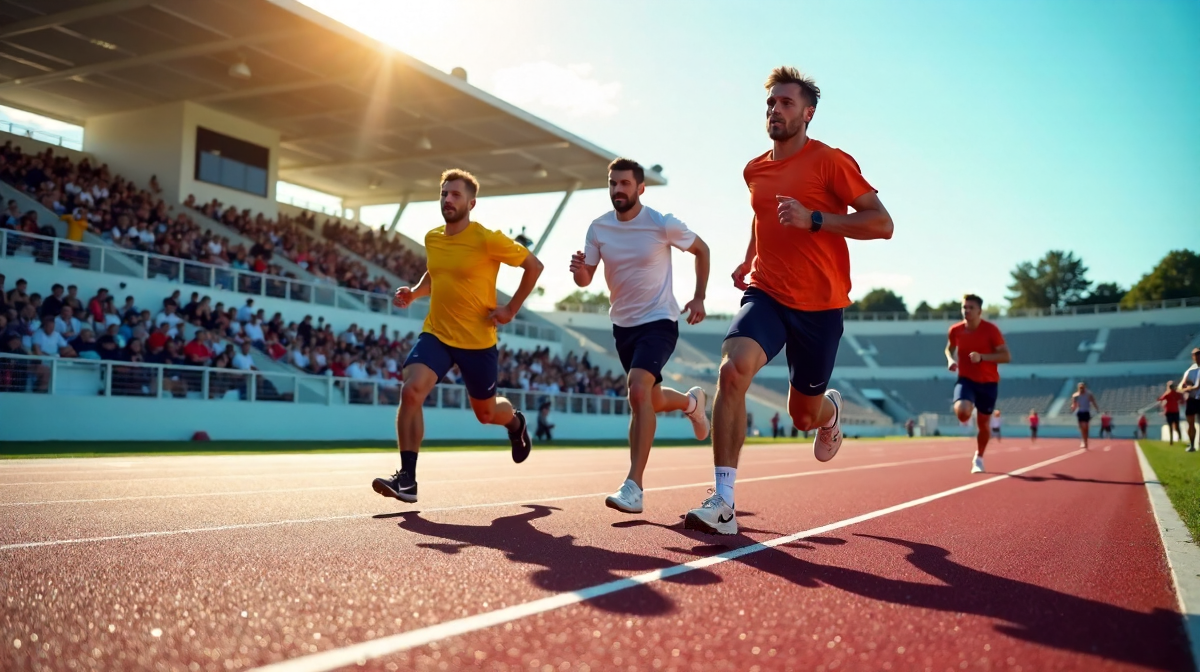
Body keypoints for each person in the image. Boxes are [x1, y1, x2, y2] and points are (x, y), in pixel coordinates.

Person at [684, 66, 894, 535]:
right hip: (768, 292)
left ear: (808, 113)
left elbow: (882, 224)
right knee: (731, 369)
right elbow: (763, 218)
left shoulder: (831, 162)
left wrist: (816, 220)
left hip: (820, 305)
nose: (775, 110)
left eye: (786, 103)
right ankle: (724, 501)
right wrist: (747, 258)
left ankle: (829, 412)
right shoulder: (754, 168)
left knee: (802, 416)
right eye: (771, 103)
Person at [371, 169, 544, 504]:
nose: (447, 199)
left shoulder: (487, 238)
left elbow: (534, 266)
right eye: (444, 193)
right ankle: (407, 479)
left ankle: (516, 423)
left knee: (486, 414)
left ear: (471, 202)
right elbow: (437, 272)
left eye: (455, 195)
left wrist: (510, 309)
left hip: (477, 341)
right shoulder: (433, 237)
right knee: (411, 391)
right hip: (437, 333)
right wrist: (416, 292)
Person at [569, 157, 712, 514]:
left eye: (625, 184)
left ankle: (634, 486)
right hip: (623, 325)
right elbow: (585, 279)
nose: (618, 190)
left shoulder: (662, 224)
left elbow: (702, 250)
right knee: (650, 397)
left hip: (660, 320)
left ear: (640, 188)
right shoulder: (598, 228)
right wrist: (578, 271)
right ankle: (691, 404)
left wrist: (699, 296)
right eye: (613, 184)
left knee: (636, 390)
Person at [945, 294, 1011, 474]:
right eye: (964, 307)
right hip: (966, 379)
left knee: (983, 425)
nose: (966, 311)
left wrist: (982, 358)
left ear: (979, 311)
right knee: (963, 413)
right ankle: (968, 405)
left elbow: (1006, 356)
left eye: (971, 308)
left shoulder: (991, 330)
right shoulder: (956, 330)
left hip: (988, 384)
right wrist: (950, 359)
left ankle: (979, 457)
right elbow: (949, 347)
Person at [1179, 348, 1200, 452]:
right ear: (1192, 357)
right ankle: (1192, 445)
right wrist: (1186, 386)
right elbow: (1182, 386)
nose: (1197, 357)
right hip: (1192, 399)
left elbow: (1197, 386)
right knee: (1191, 424)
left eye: (1199, 354)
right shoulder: (1190, 370)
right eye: (1195, 355)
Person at [1070, 382, 1100, 450]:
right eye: (1080, 388)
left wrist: (1097, 409)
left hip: (1086, 412)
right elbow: (1074, 404)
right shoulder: (1075, 395)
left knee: (1086, 428)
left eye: (1083, 388)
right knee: (1082, 428)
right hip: (1080, 412)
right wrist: (1072, 407)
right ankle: (1083, 441)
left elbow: (1093, 401)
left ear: (1085, 388)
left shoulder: (1089, 394)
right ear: (1078, 388)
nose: (1082, 389)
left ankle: (1086, 441)